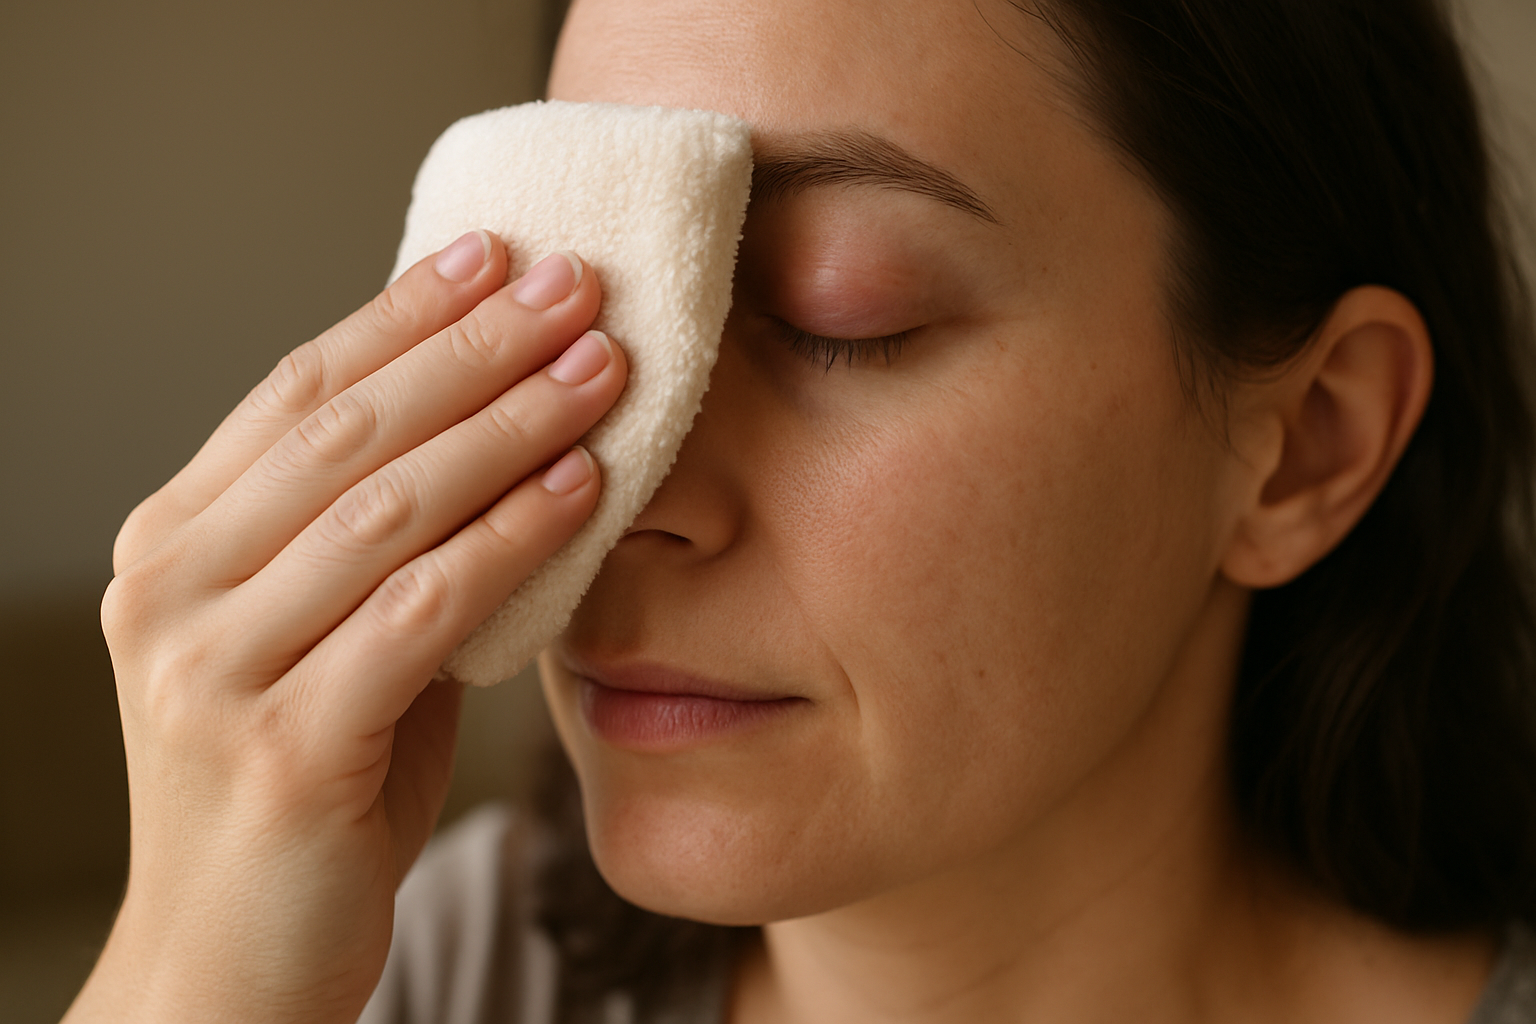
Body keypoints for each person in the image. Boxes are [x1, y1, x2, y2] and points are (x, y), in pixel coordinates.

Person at [63, 0, 1536, 1021]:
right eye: (590, 298)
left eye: (844, 317)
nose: (633, 490)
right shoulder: (418, 971)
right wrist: (188, 974)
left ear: (1305, 448)